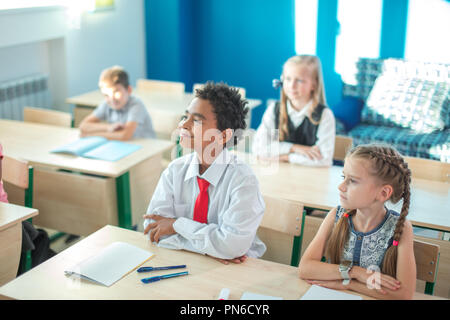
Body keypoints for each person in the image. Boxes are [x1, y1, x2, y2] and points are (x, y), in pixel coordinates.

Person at [142, 82, 266, 264]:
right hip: (185, 262)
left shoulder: (243, 180)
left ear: (223, 136)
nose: (184, 124)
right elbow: (153, 229)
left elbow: (232, 246)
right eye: (185, 116)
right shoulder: (174, 171)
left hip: (234, 271)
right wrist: (212, 249)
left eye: (197, 120)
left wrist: (176, 225)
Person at [298, 144, 416, 299]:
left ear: (383, 193)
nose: (341, 186)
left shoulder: (400, 228)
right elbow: (305, 268)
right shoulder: (336, 215)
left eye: (352, 181)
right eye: (343, 177)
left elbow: (404, 294)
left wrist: (349, 283)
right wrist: (356, 273)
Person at [252, 55, 335, 166]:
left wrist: (286, 157)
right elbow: (258, 149)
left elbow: (324, 160)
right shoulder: (273, 110)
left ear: (314, 85)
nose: (292, 85)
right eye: (288, 79)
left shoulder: (324, 115)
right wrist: (295, 148)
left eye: (299, 80)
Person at [79, 65, 155, 140]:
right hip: (121, 145)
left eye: (116, 92)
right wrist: (108, 127)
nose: (112, 99)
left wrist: (92, 135)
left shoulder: (136, 105)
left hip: (145, 147)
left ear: (129, 90)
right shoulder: (106, 104)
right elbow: (83, 126)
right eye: (106, 95)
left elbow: (124, 135)